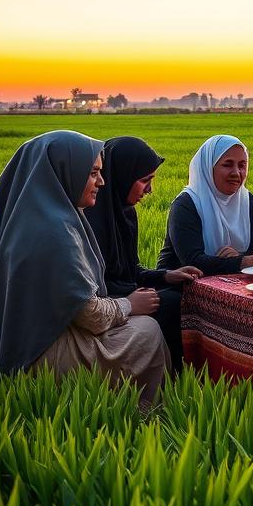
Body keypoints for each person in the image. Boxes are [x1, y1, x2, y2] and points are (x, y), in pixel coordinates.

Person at [0, 130, 169, 408]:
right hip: (42, 353)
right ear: (64, 172)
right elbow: (90, 316)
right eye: (93, 173)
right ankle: (139, 411)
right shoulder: (55, 231)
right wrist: (129, 305)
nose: (102, 181)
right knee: (146, 330)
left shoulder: (35, 216)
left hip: (26, 342)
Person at [84, 136, 202, 374]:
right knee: (171, 304)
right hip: (104, 305)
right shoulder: (90, 219)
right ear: (123, 176)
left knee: (182, 292)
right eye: (144, 180)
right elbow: (91, 288)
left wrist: (168, 276)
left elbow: (131, 270)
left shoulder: (125, 214)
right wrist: (130, 301)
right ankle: (171, 376)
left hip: (122, 294)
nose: (149, 190)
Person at [157, 134, 253, 274]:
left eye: (242, 165)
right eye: (227, 164)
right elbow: (193, 262)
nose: (236, 172)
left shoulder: (247, 201)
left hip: (232, 285)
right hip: (180, 289)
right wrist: (245, 261)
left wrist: (238, 257)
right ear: (208, 167)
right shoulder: (186, 204)